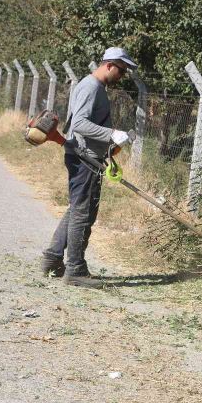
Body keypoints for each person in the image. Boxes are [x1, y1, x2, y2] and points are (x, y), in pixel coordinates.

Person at [41, 46, 138, 288]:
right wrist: (112, 133)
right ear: (109, 65)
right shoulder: (91, 87)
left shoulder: (94, 87)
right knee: (83, 214)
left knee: (77, 209)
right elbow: (80, 124)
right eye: (122, 70)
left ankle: (53, 258)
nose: (122, 76)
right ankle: (75, 270)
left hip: (87, 155)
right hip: (83, 157)